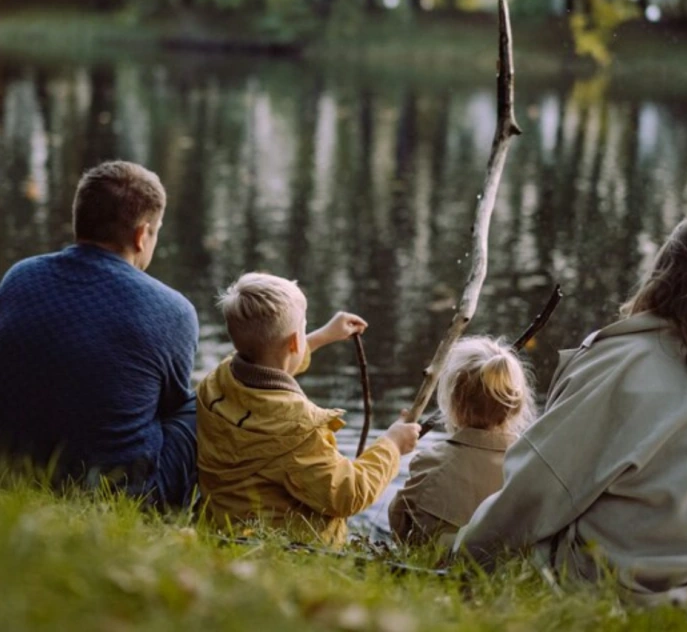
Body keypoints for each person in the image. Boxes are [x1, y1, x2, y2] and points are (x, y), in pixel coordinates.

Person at [454, 208, 687, 627]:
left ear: (667, 275)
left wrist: (466, 557)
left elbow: (537, 487)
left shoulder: (622, 364)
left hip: (624, 588)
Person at [0, 161, 199, 508]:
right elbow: (170, 407)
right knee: (199, 406)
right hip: (117, 491)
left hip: (15, 470)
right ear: (141, 235)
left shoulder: (20, 276)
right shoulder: (173, 310)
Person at [196, 273, 420, 546]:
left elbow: (268, 363)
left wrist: (321, 337)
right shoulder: (299, 428)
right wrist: (392, 445)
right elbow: (347, 494)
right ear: (293, 342)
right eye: (304, 328)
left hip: (223, 530)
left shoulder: (217, 382)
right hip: (283, 548)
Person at [388, 336, 535, 546]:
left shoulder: (431, 462)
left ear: (454, 402)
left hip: (438, 569)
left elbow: (398, 519)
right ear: (516, 407)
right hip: (503, 569)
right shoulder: (529, 466)